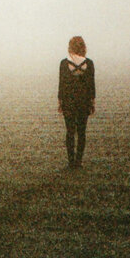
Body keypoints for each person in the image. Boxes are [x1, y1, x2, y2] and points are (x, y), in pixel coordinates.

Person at [58, 36, 95, 169]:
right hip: (83, 102)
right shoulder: (89, 63)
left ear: (70, 47)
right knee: (81, 132)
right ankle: (79, 161)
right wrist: (92, 101)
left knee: (70, 132)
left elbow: (62, 84)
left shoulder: (64, 63)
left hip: (68, 101)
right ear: (83, 47)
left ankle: (71, 161)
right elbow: (91, 85)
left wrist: (60, 101)